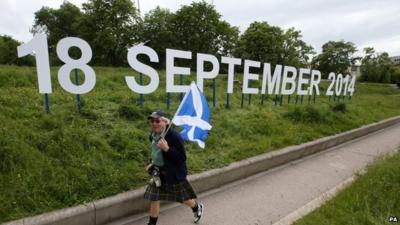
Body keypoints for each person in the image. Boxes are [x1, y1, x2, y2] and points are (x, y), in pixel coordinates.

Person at [144, 110, 204, 225]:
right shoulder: (153, 136)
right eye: (152, 121)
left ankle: (196, 207)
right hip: (158, 173)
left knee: (182, 198)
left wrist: (167, 149)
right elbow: (156, 153)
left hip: (173, 173)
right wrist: (152, 163)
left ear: (166, 122)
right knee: (153, 197)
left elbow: (181, 158)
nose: (154, 124)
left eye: (157, 121)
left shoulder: (175, 137)